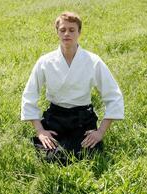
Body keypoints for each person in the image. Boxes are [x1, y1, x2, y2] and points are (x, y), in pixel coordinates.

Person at [21, 11, 124, 164]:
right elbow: (29, 96)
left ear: (79, 32)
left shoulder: (93, 61)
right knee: (51, 157)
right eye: (62, 30)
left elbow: (114, 96)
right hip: (56, 117)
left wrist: (101, 131)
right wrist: (40, 131)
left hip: (82, 118)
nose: (67, 34)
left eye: (71, 30)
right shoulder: (45, 62)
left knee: (86, 155)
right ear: (57, 32)